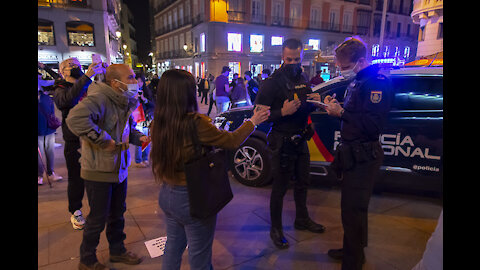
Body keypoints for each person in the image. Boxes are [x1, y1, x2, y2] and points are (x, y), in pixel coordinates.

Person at [149, 69, 270, 270]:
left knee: (173, 246)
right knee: (200, 256)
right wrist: (253, 122)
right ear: (186, 93)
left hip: (167, 194)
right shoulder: (196, 123)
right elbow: (231, 140)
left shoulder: (158, 121)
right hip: (192, 197)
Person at [66, 64, 148, 270]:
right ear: (115, 83)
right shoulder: (100, 98)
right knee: (97, 217)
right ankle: (87, 259)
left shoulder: (123, 101)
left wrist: (139, 137)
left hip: (118, 168)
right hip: (98, 170)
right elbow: (74, 119)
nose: (134, 81)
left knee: (117, 212)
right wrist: (103, 140)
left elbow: (125, 129)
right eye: (129, 77)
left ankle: (117, 251)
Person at [323, 37, 394, 270]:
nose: (341, 71)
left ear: (361, 61)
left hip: (364, 156)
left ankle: (352, 262)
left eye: (344, 67)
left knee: (354, 210)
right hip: (352, 154)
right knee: (351, 209)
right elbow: (357, 111)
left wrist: (340, 112)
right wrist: (337, 104)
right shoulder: (359, 82)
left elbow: (372, 126)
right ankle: (352, 251)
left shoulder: (376, 84)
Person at [254, 38, 326, 250]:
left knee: (303, 183)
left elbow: (302, 106)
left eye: (296, 58)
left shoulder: (303, 76)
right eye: (289, 59)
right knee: (280, 188)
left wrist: (314, 101)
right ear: (282, 57)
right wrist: (281, 112)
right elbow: (258, 114)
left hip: (301, 139)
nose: (293, 62)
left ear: (301, 57)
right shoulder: (272, 82)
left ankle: (301, 219)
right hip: (282, 141)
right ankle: (275, 229)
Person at [53, 57, 105, 230]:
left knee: (94, 177)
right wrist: (87, 76)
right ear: (62, 71)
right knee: (76, 178)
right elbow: (66, 100)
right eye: (71, 66)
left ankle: (96, 209)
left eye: (77, 65)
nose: (76, 68)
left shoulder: (87, 85)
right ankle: (75, 211)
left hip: (93, 138)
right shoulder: (61, 88)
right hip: (75, 141)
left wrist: (101, 76)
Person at [38, 82, 63, 185]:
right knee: (40, 154)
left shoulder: (46, 98)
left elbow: (51, 113)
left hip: (48, 129)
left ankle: (50, 173)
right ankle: (40, 175)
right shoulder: (46, 98)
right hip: (41, 129)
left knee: (49, 152)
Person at [133, 73, 155, 168]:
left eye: (141, 81)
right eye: (137, 81)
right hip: (136, 119)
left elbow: (153, 104)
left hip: (146, 118)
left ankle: (145, 158)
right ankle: (138, 160)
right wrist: (134, 99)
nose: (139, 83)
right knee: (139, 139)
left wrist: (144, 99)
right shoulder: (131, 92)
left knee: (146, 139)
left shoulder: (147, 91)